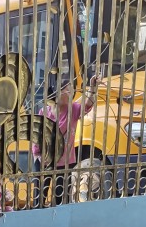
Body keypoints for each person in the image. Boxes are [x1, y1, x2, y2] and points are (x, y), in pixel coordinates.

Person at [33, 77, 98, 206]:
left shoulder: (73, 109)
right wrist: (37, 156)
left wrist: (92, 87)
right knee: (39, 196)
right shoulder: (44, 112)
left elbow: (88, 105)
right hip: (44, 159)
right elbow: (36, 135)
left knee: (60, 197)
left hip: (64, 161)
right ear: (58, 93)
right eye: (67, 90)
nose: (71, 93)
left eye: (71, 90)